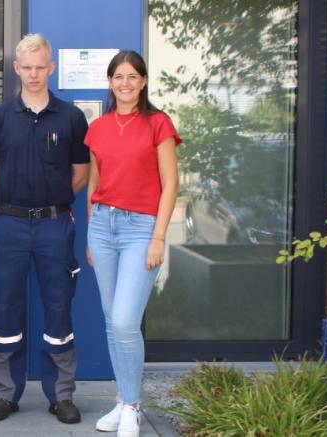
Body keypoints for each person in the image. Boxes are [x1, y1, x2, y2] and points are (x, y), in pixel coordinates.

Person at [0, 33, 89, 424]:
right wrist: (21, 200)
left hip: (55, 226)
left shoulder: (71, 117)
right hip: (9, 225)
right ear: (16, 69)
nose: (34, 74)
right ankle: (6, 395)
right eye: (27, 67)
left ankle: (61, 396)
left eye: (41, 67)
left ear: (52, 67)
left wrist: (49, 201)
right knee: (5, 307)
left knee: (59, 308)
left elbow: (80, 172)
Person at [85, 50, 180, 437]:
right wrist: (92, 233)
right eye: (118, 77)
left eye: (132, 77)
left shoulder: (158, 123)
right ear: (110, 82)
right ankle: (124, 401)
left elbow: (170, 184)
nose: (125, 83)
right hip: (102, 225)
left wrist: (159, 236)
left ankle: (132, 405)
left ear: (142, 82)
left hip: (142, 229)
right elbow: (94, 183)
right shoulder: (99, 127)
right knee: (113, 322)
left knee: (125, 320)